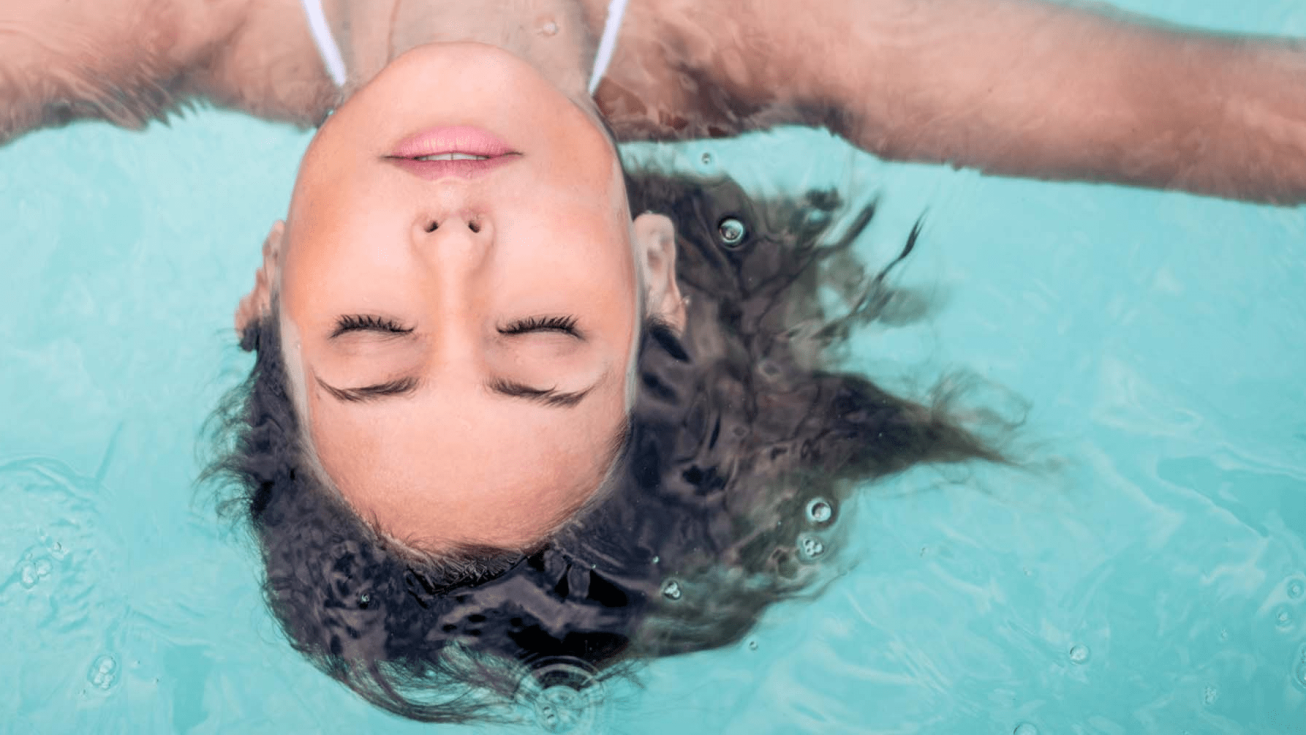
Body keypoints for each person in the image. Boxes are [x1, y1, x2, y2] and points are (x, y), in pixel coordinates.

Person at [5, 0, 1304, 723]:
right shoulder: (843, 47)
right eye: (538, 335)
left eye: (374, 334)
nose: (453, 249)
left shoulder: (127, 27)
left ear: (273, 276)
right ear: (652, 277)